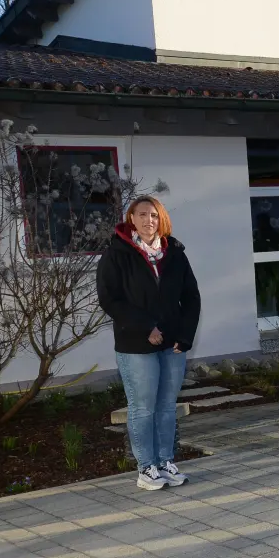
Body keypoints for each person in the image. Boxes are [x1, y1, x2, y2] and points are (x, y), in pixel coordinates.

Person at [97, 196, 201, 490]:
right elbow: (109, 298)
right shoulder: (117, 253)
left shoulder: (175, 253)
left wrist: (185, 335)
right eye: (141, 215)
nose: (148, 220)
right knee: (143, 407)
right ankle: (146, 468)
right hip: (136, 344)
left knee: (167, 406)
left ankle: (166, 462)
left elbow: (191, 298)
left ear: (161, 219)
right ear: (132, 219)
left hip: (173, 345)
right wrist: (146, 327)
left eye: (154, 215)